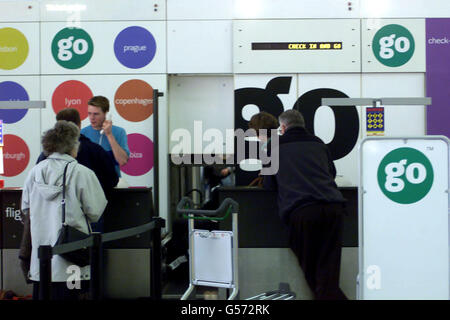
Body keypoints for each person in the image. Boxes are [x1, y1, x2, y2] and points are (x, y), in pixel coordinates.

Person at [260, 109, 348, 300]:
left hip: (302, 212)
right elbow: (331, 173)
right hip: (334, 208)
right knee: (328, 272)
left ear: (282, 127)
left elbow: (269, 185)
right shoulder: (318, 143)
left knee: (313, 272)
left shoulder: (273, 147)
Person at [20, 120, 107, 300]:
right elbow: (95, 211)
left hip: (41, 260)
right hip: (72, 257)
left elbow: (26, 209)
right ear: (73, 145)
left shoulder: (34, 172)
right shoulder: (81, 172)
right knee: (73, 296)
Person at [81, 96, 130, 177]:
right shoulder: (82, 133)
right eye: (89, 113)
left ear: (106, 114)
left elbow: (122, 161)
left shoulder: (119, 132)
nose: (91, 118)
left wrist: (109, 134)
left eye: (96, 114)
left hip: (112, 184)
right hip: (89, 184)